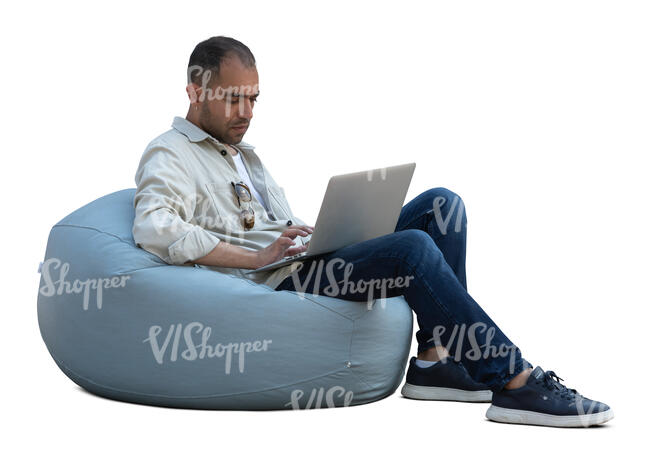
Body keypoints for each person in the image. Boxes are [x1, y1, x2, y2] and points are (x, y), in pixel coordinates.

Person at [133, 36, 613, 427]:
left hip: (303, 259)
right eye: (234, 98)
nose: (248, 112)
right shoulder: (170, 153)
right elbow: (156, 229)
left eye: (254, 98)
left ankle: (434, 361)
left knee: (442, 205)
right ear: (196, 91)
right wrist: (256, 258)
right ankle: (513, 381)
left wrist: (309, 231)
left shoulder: (242, 153)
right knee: (412, 249)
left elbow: (266, 224)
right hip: (279, 281)